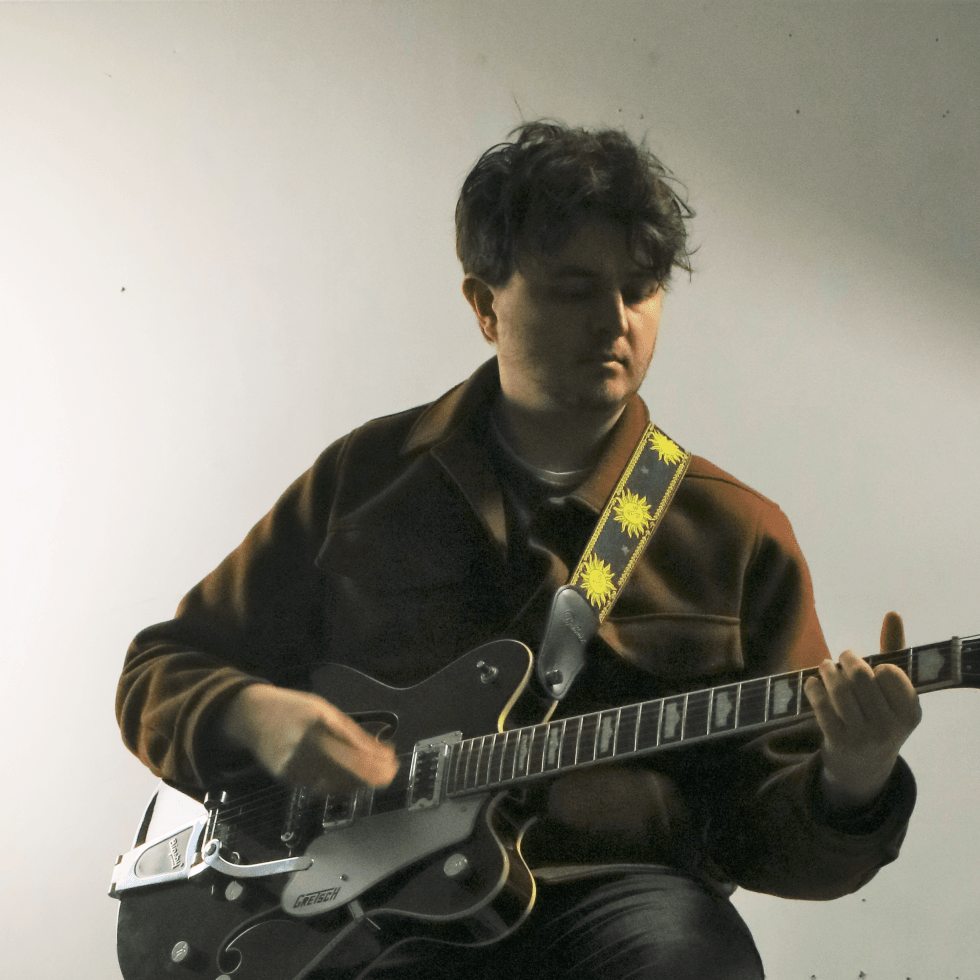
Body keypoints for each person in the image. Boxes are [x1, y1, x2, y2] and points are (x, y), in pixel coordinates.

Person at [117, 121, 922, 980]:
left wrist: (854, 775)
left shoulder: (735, 531)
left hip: (622, 905)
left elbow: (768, 839)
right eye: (576, 289)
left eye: (641, 289)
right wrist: (255, 715)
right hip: (369, 919)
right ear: (484, 305)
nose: (616, 320)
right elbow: (161, 668)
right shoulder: (367, 478)